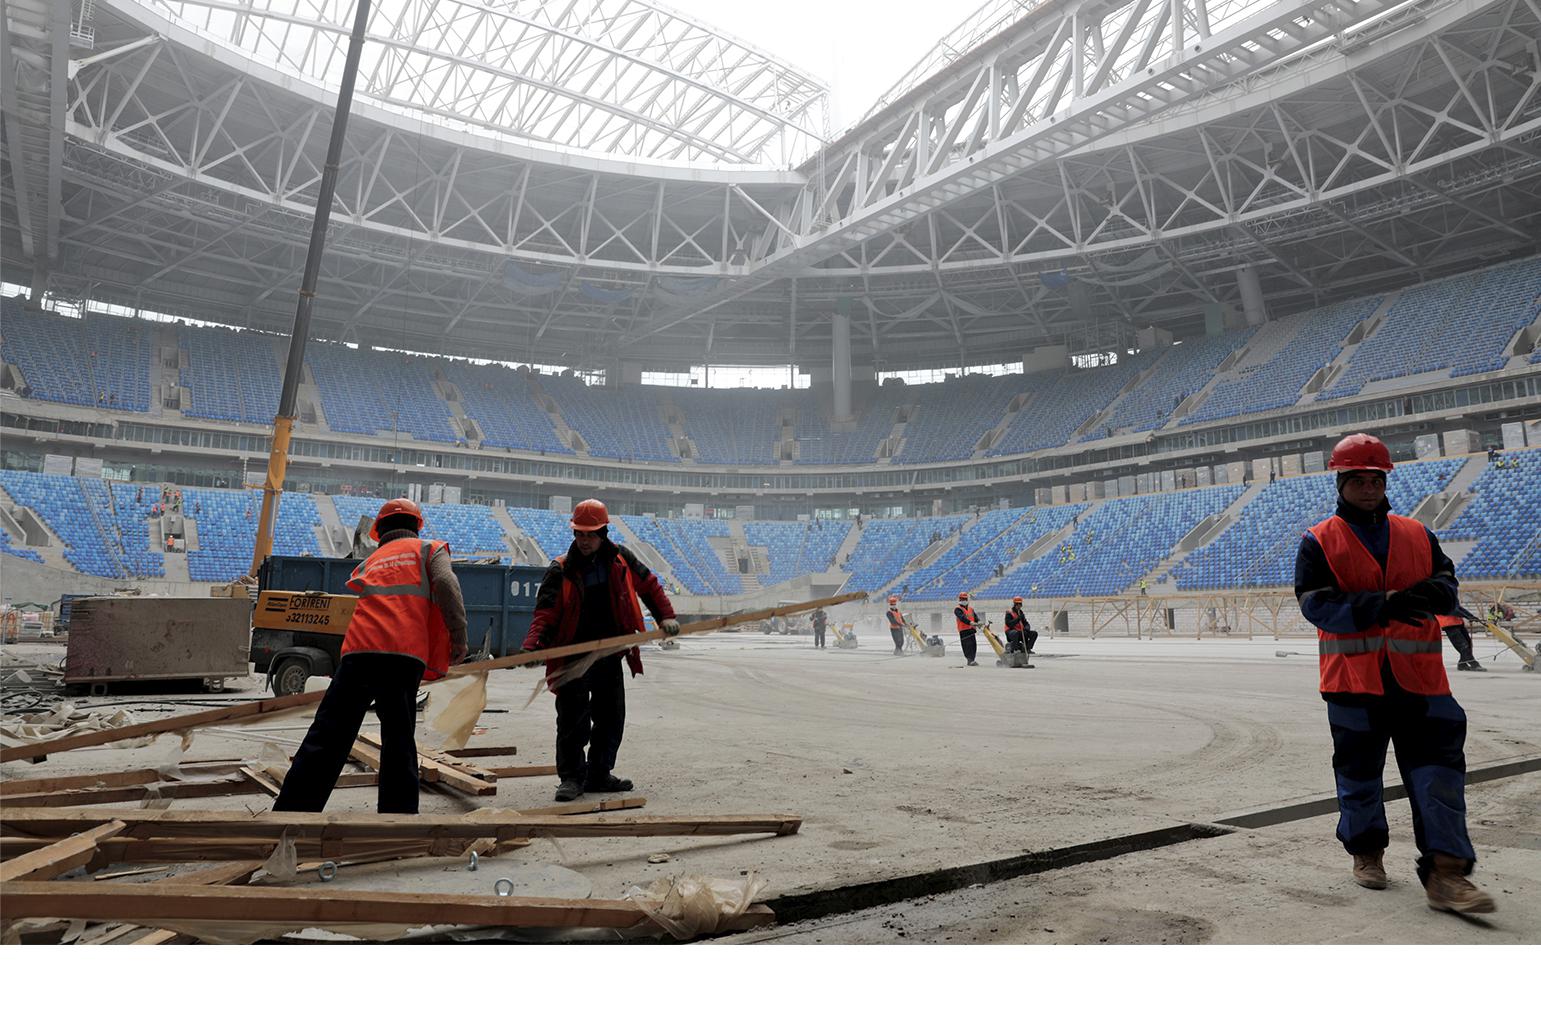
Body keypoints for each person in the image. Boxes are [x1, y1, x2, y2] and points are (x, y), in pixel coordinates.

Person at [1293, 433, 1494, 914]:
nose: (1368, 488)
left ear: (1385, 481)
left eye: (1375, 479)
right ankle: (1367, 853)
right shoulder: (1319, 540)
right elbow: (1316, 605)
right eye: (1358, 480)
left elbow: (1448, 585)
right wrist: (1385, 604)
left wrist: (1430, 595)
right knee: (1360, 776)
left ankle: (1447, 875)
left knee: (1439, 777)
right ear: (1341, 483)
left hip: (1422, 683)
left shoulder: (1417, 534)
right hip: (1353, 684)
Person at [275, 498, 468, 814]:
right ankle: (397, 817)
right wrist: (458, 637)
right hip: (402, 655)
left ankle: (293, 812)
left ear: (380, 531)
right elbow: (446, 583)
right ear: (416, 526)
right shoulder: (428, 549)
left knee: (328, 734)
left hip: (359, 652)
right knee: (398, 738)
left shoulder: (372, 560)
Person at [522, 499, 679, 803]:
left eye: (590, 535)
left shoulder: (621, 559)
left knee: (611, 716)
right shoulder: (560, 568)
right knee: (572, 720)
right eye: (579, 534)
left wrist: (666, 617)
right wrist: (534, 647)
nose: (584, 541)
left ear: (604, 532)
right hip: (572, 655)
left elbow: (649, 585)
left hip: (609, 651)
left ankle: (598, 774)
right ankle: (571, 778)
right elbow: (545, 613)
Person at [1436, 606, 1485, 672]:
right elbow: (1452, 610)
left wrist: (1471, 616)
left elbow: (1459, 608)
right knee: (1463, 645)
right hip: (1448, 624)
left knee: (1468, 643)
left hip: (1458, 622)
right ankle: (1474, 664)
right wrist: (1467, 616)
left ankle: (1462, 664)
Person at [954, 592, 981, 666]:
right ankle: (969, 660)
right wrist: (970, 622)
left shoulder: (971, 609)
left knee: (973, 645)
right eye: (962, 599)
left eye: (965, 599)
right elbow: (962, 618)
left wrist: (979, 622)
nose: (964, 600)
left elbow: (975, 617)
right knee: (967, 645)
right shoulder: (957, 609)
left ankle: (972, 659)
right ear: (960, 599)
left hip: (971, 630)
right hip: (964, 630)